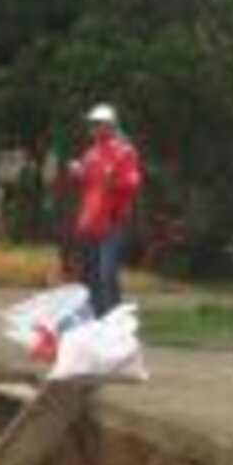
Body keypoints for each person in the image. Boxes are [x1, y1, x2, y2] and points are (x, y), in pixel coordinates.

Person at [66, 102, 143, 317]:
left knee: (107, 273)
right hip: (91, 220)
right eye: (92, 124)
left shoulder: (124, 151)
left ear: (110, 125)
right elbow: (88, 183)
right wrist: (78, 172)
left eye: (97, 124)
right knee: (88, 274)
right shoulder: (91, 153)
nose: (93, 128)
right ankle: (95, 319)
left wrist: (114, 180)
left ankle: (114, 320)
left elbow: (133, 182)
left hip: (114, 219)